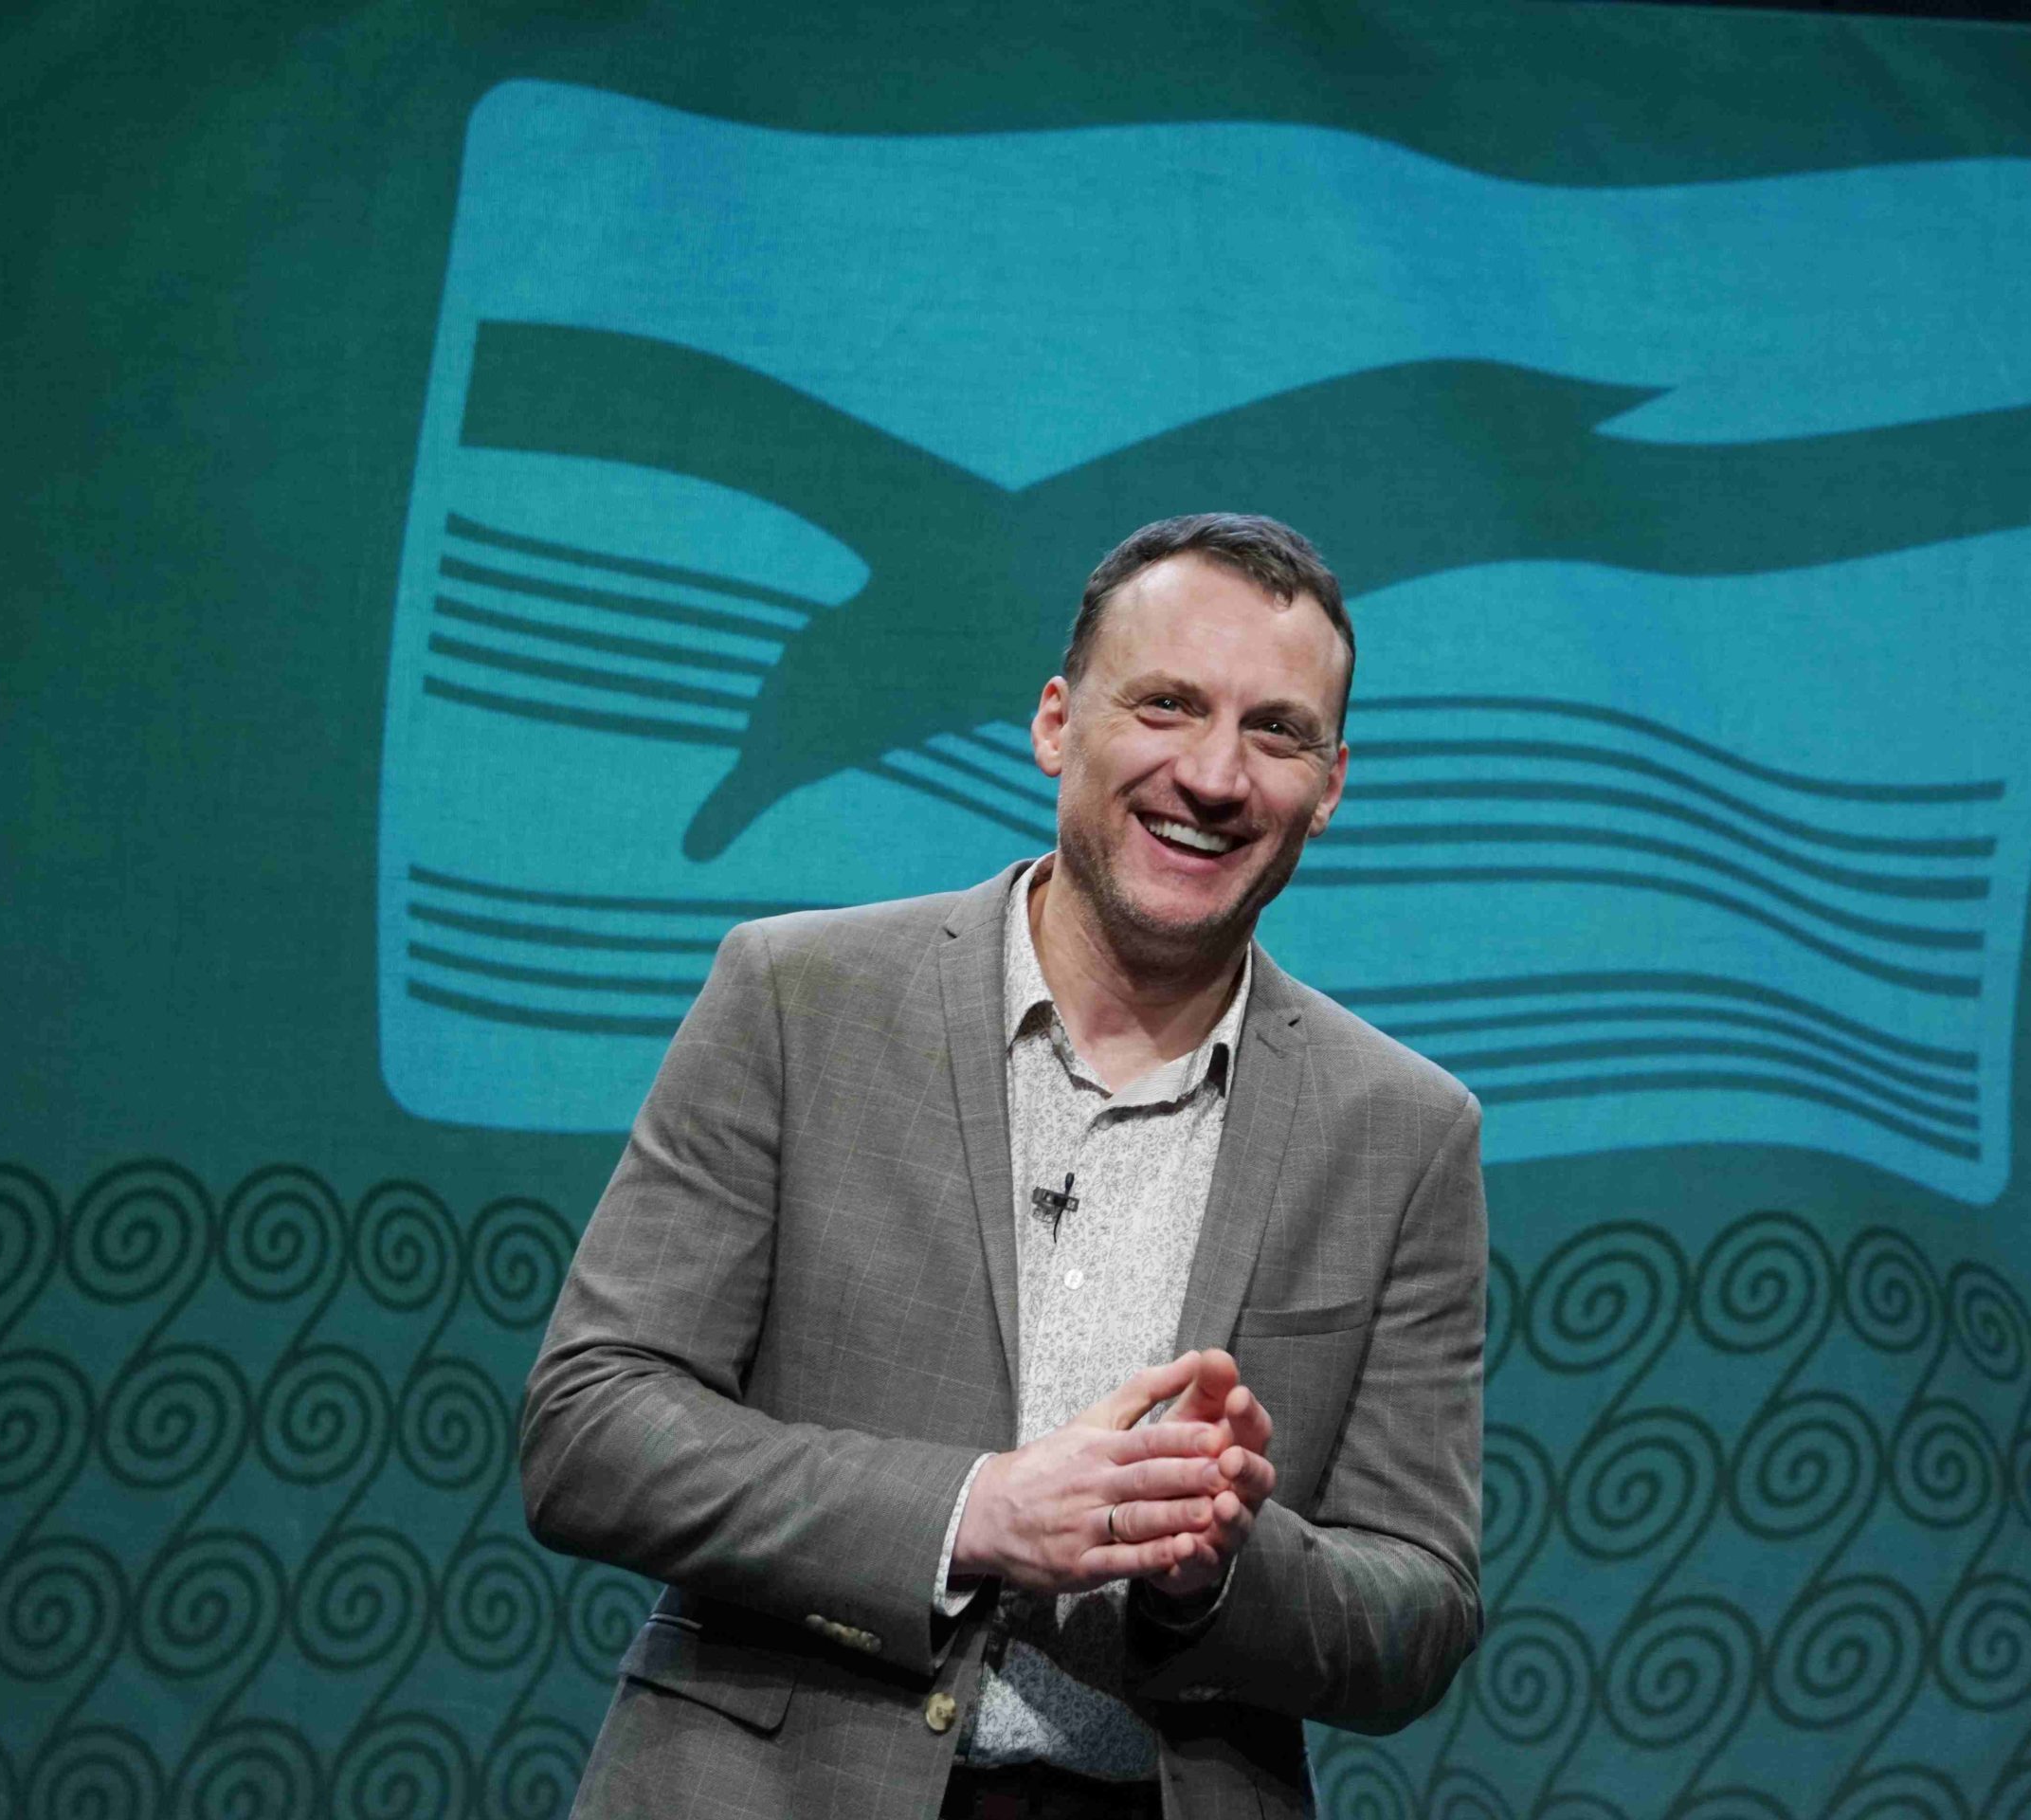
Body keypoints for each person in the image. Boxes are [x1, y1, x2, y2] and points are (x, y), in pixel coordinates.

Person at [520, 513, 1487, 1820]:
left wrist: (1219, 1569)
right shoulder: (799, 999)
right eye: (1166, 705)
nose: (1214, 776)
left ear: (1330, 787)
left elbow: (1419, 1609)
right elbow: (591, 1427)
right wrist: (971, 1512)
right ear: (1056, 724)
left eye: (1276, 732)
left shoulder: (1403, 1131)